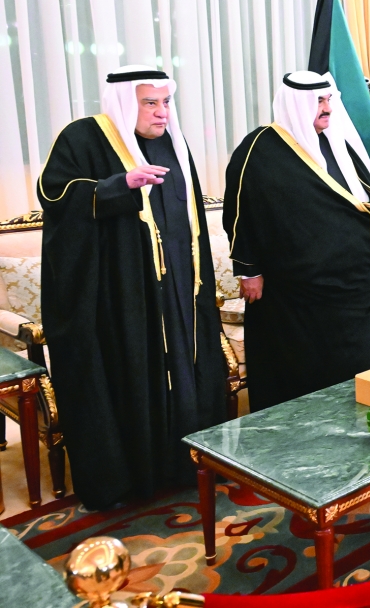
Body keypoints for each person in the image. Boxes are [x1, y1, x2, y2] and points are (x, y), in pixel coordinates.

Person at [38, 66, 226, 510]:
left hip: (179, 289)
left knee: (184, 373)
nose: (162, 113)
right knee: (136, 377)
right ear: (125, 102)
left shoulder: (173, 143)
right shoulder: (84, 139)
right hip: (123, 297)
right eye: (150, 103)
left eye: (166, 102)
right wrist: (117, 186)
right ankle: (138, 475)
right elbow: (56, 198)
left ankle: (184, 465)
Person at [223, 71, 370, 411]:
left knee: (351, 365)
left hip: (348, 288)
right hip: (292, 292)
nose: (327, 108)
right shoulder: (259, 148)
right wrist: (248, 269)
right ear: (296, 104)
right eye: (318, 101)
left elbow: (367, 199)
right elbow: (240, 213)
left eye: (328, 99)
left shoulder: (335, 142)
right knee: (300, 370)